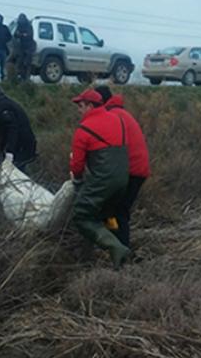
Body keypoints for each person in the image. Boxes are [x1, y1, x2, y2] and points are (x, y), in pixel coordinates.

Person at [70, 88, 130, 269]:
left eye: (80, 106)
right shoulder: (118, 120)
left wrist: (78, 182)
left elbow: (77, 166)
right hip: (123, 180)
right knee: (107, 215)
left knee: (81, 215)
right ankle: (119, 258)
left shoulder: (84, 129)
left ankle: (116, 248)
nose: (78, 110)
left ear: (90, 106)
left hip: (103, 180)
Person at [95, 86, 150, 249]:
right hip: (136, 169)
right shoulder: (120, 113)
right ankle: (114, 247)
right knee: (114, 210)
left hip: (130, 171)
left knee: (117, 211)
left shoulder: (111, 116)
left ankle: (121, 253)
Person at [0, 85, 37, 173]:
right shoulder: (8, 103)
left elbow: (12, 129)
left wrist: (9, 152)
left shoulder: (0, 107)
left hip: (19, 148)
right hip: (24, 146)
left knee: (15, 173)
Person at [12, 13, 36, 82]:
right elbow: (15, 34)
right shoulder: (19, 26)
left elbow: (29, 35)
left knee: (27, 63)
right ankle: (22, 78)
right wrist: (21, 35)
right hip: (21, 47)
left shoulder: (29, 26)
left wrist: (21, 35)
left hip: (29, 46)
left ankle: (27, 78)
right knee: (20, 63)